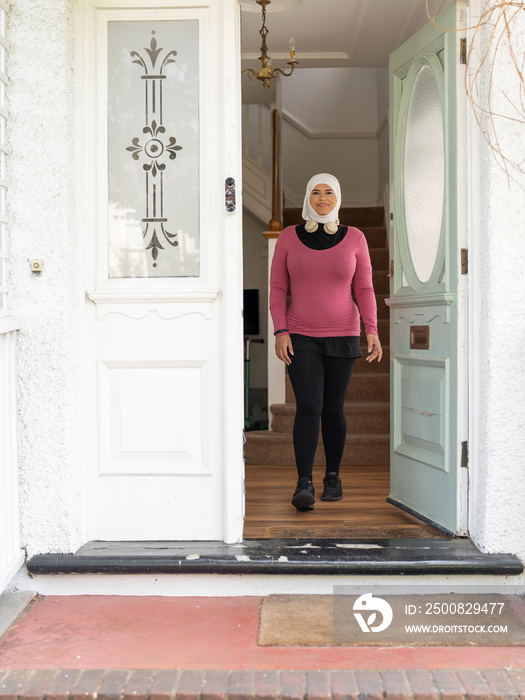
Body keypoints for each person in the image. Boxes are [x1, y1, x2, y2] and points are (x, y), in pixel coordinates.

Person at [269, 173, 382, 511]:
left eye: (328, 192)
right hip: (300, 334)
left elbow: (364, 288)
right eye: (315, 192)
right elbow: (277, 288)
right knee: (309, 406)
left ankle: (332, 475)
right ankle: (303, 481)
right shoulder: (288, 237)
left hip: (343, 333)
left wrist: (372, 329)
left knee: (332, 409)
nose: (322, 198)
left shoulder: (356, 238)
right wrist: (280, 331)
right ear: (307, 198)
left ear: (338, 197)